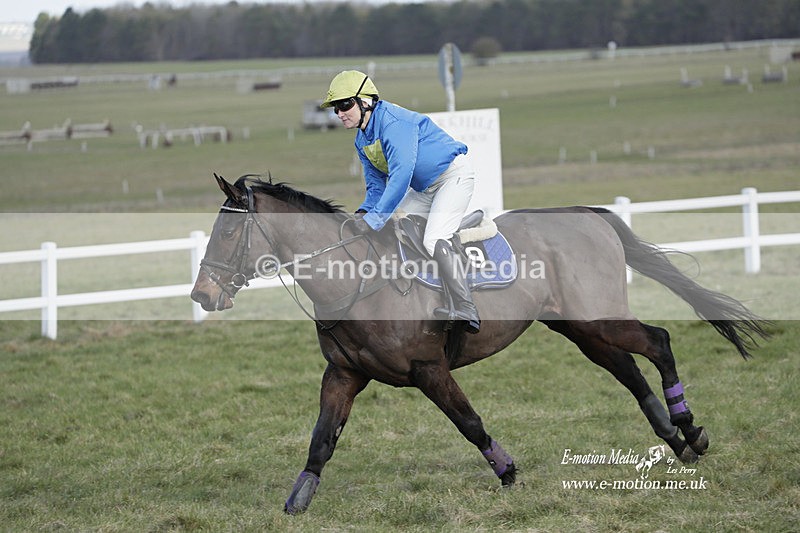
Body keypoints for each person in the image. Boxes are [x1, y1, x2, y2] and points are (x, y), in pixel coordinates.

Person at [320, 70, 480, 333]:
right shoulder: (362, 139)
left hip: (453, 177)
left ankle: (466, 307)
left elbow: (401, 176)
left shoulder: (393, 123)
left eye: (345, 104)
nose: (340, 113)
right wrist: (361, 215)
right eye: (335, 108)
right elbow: (375, 186)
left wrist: (374, 219)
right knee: (396, 228)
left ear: (365, 101)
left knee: (433, 239)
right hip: (425, 189)